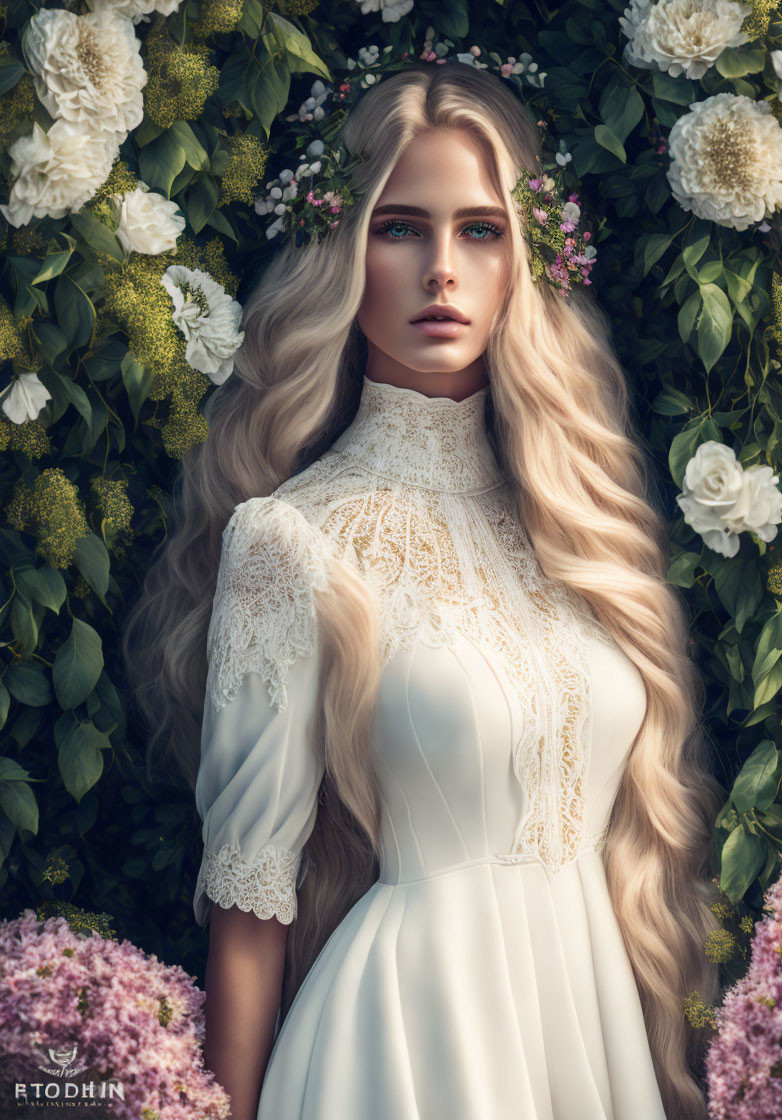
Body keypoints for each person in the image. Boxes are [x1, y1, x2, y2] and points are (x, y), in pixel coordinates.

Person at [123, 61, 725, 1120]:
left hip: (582, 1036)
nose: (440, 269)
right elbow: (249, 903)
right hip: (400, 1050)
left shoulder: (571, 521)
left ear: (522, 261)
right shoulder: (289, 539)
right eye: (399, 227)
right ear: (344, 253)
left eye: (479, 231)